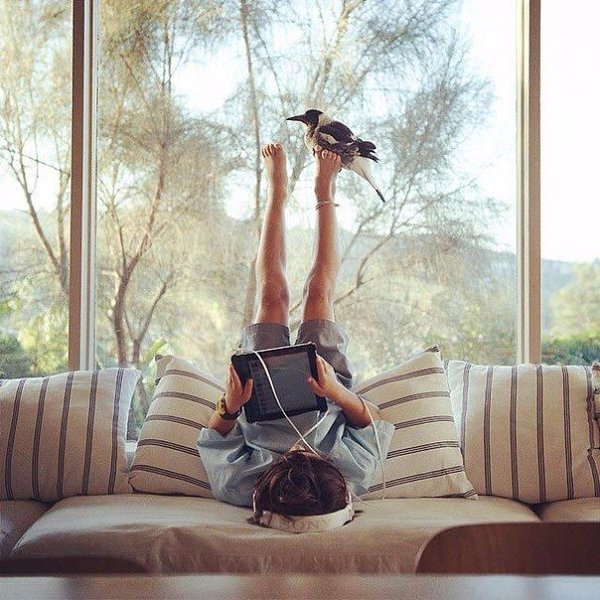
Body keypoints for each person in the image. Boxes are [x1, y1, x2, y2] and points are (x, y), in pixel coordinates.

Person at [197, 143, 394, 523]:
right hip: (325, 387)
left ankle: (276, 193)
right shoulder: (353, 478)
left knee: (272, 296)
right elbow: (373, 421)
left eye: (289, 459)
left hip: (261, 396)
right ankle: (324, 193)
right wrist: (335, 391)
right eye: (309, 457)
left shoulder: (240, 486)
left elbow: (215, 439)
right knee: (319, 292)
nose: (297, 451)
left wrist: (230, 405)